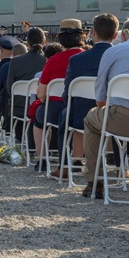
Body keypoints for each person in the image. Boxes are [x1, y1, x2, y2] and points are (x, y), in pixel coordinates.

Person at [80, 17, 129, 198]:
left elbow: (100, 99)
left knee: (91, 119)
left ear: (123, 35)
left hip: (120, 118)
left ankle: (94, 182)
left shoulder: (113, 52)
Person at [58, 13, 118, 172]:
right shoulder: (120, 57)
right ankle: (120, 164)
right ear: (116, 35)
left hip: (80, 115)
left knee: (65, 113)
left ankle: (64, 165)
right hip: (113, 117)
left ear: (93, 32)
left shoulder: (77, 59)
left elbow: (68, 92)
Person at [31, 19, 86, 165]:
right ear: (82, 36)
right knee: (78, 120)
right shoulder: (87, 57)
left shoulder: (54, 59)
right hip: (83, 108)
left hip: (55, 108)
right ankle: (77, 159)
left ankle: (42, 159)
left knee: (38, 119)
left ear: (60, 38)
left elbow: (41, 94)